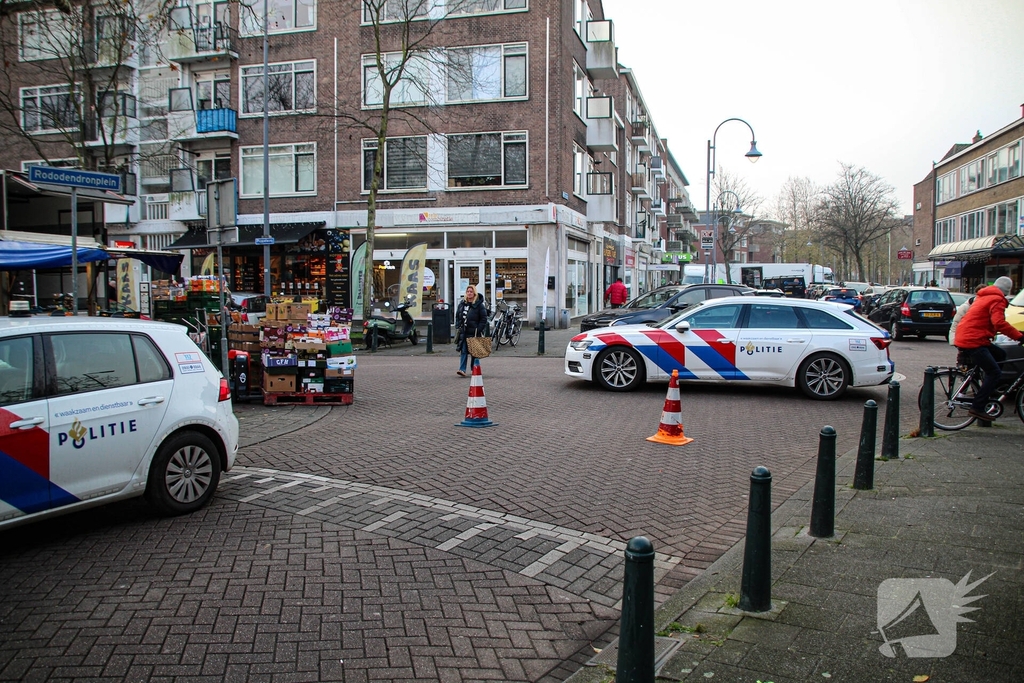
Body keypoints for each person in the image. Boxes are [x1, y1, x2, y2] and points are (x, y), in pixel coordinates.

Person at [953, 276, 1023, 422]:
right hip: (974, 340)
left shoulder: (984, 296)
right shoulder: (997, 299)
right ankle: (978, 407)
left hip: (968, 336)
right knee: (994, 372)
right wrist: (1019, 337)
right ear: (1007, 291)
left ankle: (990, 386)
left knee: (1000, 354)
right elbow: (999, 323)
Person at [454, 284, 488, 377]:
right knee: (464, 350)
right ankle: (462, 369)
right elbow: (458, 315)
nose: (469, 293)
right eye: (468, 291)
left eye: (471, 292)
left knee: (474, 352)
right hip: (464, 331)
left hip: (474, 332)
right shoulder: (462, 304)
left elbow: (484, 318)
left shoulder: (479, 305)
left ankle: (474, 369)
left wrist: (478, 329)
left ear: (474, 293)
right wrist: (458, 325)